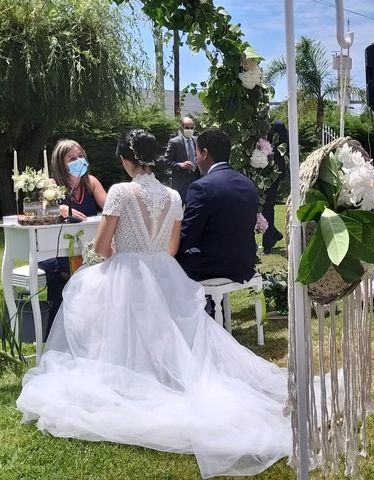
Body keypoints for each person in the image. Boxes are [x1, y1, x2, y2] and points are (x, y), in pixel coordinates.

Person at [16, 129, 291, 478]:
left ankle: (126, 375)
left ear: (126, 161)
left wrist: (120, 255)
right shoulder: (176, 195)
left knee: (81, 294)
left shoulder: (119, 191)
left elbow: (101, 248)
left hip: (128, 270)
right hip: (163, 272)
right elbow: (172, 248)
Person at [39, 139, 108, 333]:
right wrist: (59, 208)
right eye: (72, 158)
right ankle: (57, 332)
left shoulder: (91, 182)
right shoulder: (52, 184)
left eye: (80, 157)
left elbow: (110, 206)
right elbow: (43, 210)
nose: (78, 161)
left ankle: (91, 330)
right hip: (58, 253)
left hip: (88, 249)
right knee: (59, 272)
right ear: (61, 162)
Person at [177, 128, 258, 283]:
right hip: (244, 263)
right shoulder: (247, 183)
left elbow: (187, 236)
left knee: (166, 265)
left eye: (196, 154)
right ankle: (212, 306)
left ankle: (197, 308)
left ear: (205, 153)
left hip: (211, 265)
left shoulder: (201, 187)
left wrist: (165, 250)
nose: (196, 160)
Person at [262, 121, 289, 254]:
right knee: (264, 207)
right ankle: (273, 234)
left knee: (268, 205)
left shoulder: (277, 126)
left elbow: (285, 146)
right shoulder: (257, 125)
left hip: (274, 172)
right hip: (261, 170)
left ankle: (268, 241)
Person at [165, 116, 200, 203]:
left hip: (195, 179)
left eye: (191, 128)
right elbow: (166, 161)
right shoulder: (174, 142)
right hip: (181, 182)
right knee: (178, 211)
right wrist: (180, 165)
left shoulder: (197, 141)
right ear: (181, 128)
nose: (189, 130)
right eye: (187, 128)